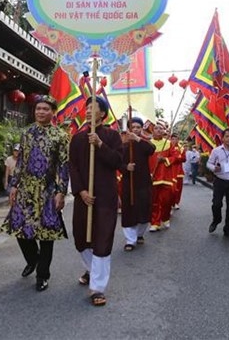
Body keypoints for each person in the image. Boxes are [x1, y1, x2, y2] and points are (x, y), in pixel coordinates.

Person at [2, 95, 69, 292]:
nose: (41, 112)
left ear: (53, 112)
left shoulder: (61, 136)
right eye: (38, 108)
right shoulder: (27, 133)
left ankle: (42, 275)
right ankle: (33, 259)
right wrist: (14, 185)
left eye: (45, 109)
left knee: (46, 234)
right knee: (19, 228)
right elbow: (21, 162)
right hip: (26, 188)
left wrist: (61, 192)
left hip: (48, 190)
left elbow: (64, 166)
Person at [69, 96, 123, 307]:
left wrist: (100, 144)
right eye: (87, 107)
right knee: (81, 237)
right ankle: (93, 270)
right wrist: (81, 191)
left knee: (101, 240)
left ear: (103, 113)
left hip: (105, 196)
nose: (89, 110)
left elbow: (117, 162)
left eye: (94, 107)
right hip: (84, 196)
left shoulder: (112, 136)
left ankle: (97, 288)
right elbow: (72, 166)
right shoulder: (78, 138)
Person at [120, 117, 155, 251]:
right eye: (133, 127)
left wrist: (138, 139)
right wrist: (125, 167)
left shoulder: (144, 143)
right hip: (129, 183)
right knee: (128, 210)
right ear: (129, 129)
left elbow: (151, 150)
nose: (135, 129)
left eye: (138, 127)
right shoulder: (123, 146)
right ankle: (130, 240)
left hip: (143, 182)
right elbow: (117, 163)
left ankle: (139, 234)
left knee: (144, 209)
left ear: (141, 129)